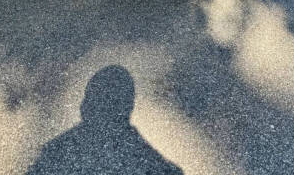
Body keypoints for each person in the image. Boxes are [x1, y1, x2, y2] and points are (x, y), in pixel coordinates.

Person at [27, 65, 183, 175]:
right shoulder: (145, 159)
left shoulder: (58, 151)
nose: (86, 104)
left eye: (95, 99)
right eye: (90, 98)